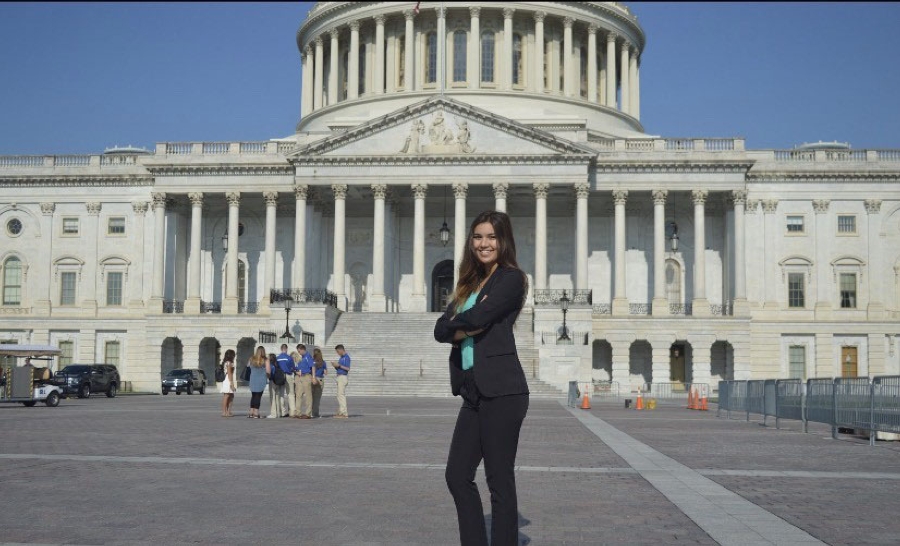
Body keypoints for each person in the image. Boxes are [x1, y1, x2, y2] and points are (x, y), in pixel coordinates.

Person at [434, 210, 530, 546]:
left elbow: (482, 316)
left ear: (503, 241)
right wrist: (462, 325)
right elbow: (440, 329)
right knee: (457, 475)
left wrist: (461, 323)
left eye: (491, 237)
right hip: (473, 389)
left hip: (503, 390)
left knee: (499, 480)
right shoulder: (469, 283)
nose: (484, 243)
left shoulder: (512, 278)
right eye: (478, 237)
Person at [247, 346, 268, 419]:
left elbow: (248, 367)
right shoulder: (265, 359)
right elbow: (268, 371)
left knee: (253, 395)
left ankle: (251, 412)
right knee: (258, 396)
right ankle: (256, 413)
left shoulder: (251, 359)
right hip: (261, 380)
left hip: (253, 379)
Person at [294, 343, 315, 419]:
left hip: (306, 377)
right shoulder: (301, 358)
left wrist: (313, 377)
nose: (299, 353)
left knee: (308, 396)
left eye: (299, 351)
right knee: (298, 395)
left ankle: (308, 413)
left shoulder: (307, 356)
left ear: (303, 350)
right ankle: (298, 412)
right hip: (300, 377)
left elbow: (312, 366)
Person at [331, 344, 351, 418]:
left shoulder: (346, 357)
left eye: (337, 351)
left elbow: (347, 368)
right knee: (339, 395)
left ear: (341, 350)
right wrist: (335, 366)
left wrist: (339, 365)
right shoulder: (341, 358)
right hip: (339, 376)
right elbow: (340, 368)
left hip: (343, 377)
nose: (337, 353)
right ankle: (340, 411)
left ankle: (344, 413)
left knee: (341, 395)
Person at [219, 349, 237, 417]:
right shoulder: (229, 363)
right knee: (226, 396)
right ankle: (224, 412)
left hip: (228, 379)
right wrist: (232, 384)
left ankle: (228, 411)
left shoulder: (226, 362)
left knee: (231, 396)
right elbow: (229, 374)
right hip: (228, 380)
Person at [311, 347, 327, 418]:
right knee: (317, 398)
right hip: (320, 379)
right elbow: (326, 372)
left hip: (312, 379)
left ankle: (310, 412)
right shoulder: (323, 362)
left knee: (311, 397)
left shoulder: (311, 361)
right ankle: (315, 413)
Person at [265, 352, 282, 418]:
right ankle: (278, 413)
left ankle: (273, 413)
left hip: (272, 382)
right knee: (277, 398)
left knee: (272, 398)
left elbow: (269, 374)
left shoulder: (271, 366)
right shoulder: (277, 365)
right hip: (278, 382)